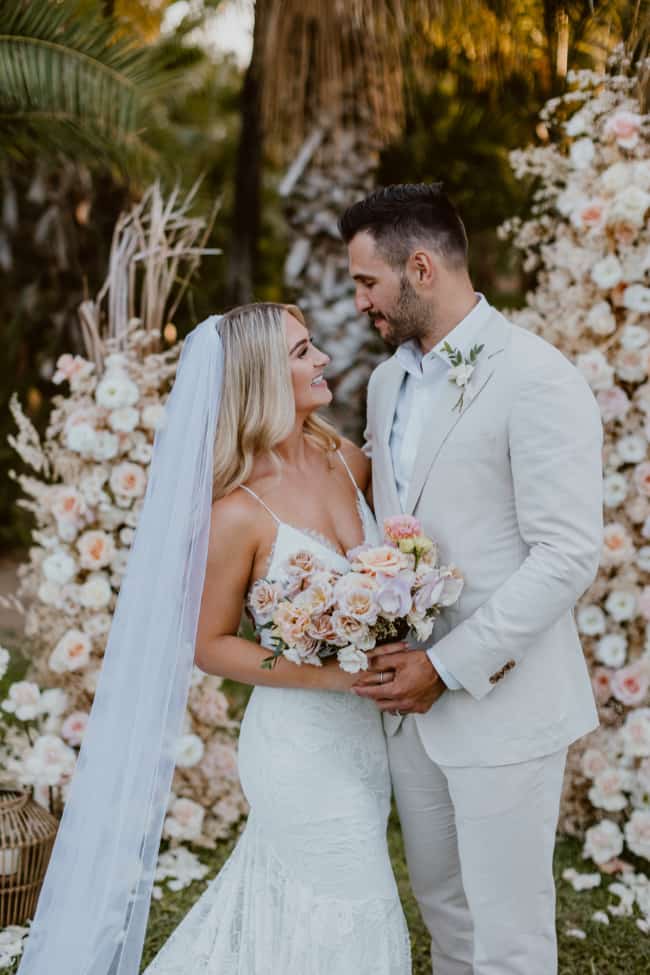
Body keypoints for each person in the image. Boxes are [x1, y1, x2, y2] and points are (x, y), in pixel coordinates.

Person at [339, 183, 604, 975]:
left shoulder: (537, 377)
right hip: (411, 715)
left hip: (502, 703)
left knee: (511, 939)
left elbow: (566, 553)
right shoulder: (386, 382)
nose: (359, 303)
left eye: (367, 282)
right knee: (447, 919)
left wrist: (445, 668)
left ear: (420, 267)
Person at [140, 302, 411, 973]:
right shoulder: (236, 510)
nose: (321, 359)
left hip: (364, 739)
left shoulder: (346, 459)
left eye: (312, 346)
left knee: (299, 906)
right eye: (301, 352)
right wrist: (328, 675)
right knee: (361, 901)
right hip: (297, 743)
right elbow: (210, 643)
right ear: (262, 376)